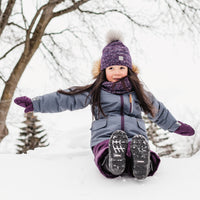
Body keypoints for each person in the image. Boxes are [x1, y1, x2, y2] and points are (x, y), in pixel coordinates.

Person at [14, 30, 195, 180]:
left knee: (140, 149)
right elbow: (66, 98)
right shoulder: (96, 91)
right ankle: (113, 162)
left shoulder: (140, 93)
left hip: (135, 135)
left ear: (129, 70)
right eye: (111, 68)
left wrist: (175, 126)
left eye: (121, 68)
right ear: (103, 70)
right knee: (106, 149)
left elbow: (159, 112)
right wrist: (36, 104)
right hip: (105, 136)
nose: (117, 72)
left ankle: (142, 164)